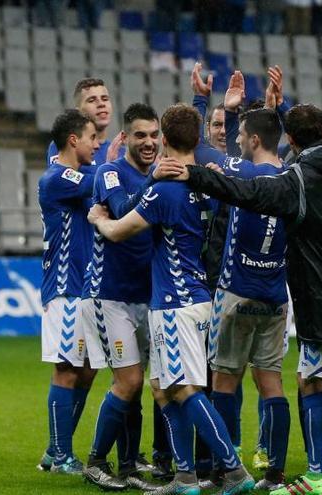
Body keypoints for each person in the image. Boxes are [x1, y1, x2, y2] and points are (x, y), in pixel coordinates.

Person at [159, 67, 322, 495]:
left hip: (319, 296)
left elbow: (245, 192)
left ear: (294, 139)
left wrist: (193, 175)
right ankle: (315, 473)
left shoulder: (295, 180)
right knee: (306, 380)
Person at [88, 103, 256, 495]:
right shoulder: (204, 185)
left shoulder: (165, 189)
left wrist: (96, 218)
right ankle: (184, 477)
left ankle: (234, 471)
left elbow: (118, 230)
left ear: (164, 140)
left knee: (184, 390)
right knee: (163, 388)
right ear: (197, 140)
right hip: (194, 295)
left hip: (175, 301)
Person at [191, 71, 292, 492]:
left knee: (224, 379)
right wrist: (270, 111)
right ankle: (275, 471)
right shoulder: (293, 174)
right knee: (271, 382)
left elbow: (196, 149)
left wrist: (203, 101)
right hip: (275, 296)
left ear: (251, 140)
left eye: (241, 134)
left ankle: (226, 466)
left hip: (235, 292)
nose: (236, 139)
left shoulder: (242, 173)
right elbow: (278, 139)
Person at [81, 103, 164, 491]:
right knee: (128, 381)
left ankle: (129, 466)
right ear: (126, 138)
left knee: (139, 383)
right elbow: (121, 213)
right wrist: (156, 186)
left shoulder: (160, 175)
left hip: (147, 294)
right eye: (141, 135)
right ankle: (96, 462)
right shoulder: (110, 172)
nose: (149, 143)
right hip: (109, 294)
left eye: (154, 136)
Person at [36, 109, 100, 474]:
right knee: (66, 370)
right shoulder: (57, 178)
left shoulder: (65, 171)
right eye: (92, 138)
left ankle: (54, 450)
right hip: (64, 287)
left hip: (82, 284)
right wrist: (117, 166)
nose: (97, 144)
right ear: (74, 140)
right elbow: (99, 181)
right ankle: (60, 455)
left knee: (87, 368)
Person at [47, 78, 123, 167]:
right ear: (78, 112)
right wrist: (107, 170)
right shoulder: (66, 143)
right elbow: (60, 177)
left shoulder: (121, 153)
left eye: (105, 99)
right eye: (91, 100)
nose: (101, 104)